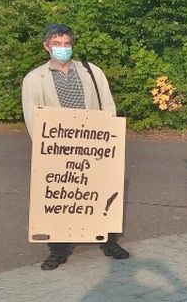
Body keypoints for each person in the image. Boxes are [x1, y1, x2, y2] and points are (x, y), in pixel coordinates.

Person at [21, 23, 130, 270]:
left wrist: (109, 139)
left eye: (67, 44)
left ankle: (109, 241)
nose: (62, 49)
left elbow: (108, 105)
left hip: (94, 146)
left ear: (73, 45)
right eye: (57, 44)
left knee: (101, 192)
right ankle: (58, 250)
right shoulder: (34, 79)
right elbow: (32, 117)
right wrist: (45, 148)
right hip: (58, 148)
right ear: (46, 46)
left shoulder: (92, 72)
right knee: (61, 196)